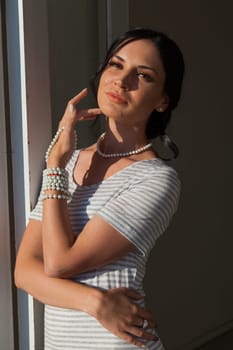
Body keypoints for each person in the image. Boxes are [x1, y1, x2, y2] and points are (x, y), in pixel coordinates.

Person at [15, 28, 184, 350]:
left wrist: (54, 167)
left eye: (144, 76)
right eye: (116, 65)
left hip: (117, 342)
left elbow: (59, 264)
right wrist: (97, 303)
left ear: (163, 99)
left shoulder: (156, 179)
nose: (122, 81)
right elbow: (25, 271)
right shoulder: (67, 161)